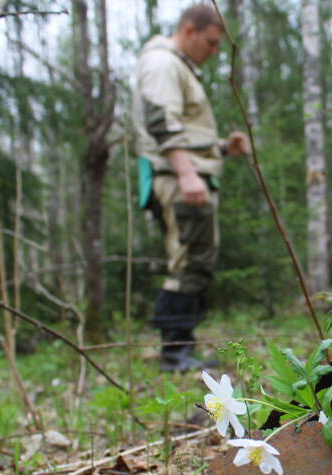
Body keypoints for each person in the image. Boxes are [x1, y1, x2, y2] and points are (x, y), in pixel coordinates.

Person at [133, 4, 250, 372]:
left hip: (184, 174)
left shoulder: (178, 67)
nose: (214, 52)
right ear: (188, 30)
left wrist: (219, 149)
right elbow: (160, 122)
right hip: (176, 179)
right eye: (211, 42)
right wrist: (186, 173)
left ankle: (182, 347)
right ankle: (174, 353)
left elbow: (184, 134)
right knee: (186, 263)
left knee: (195, 262)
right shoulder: (163, 63)